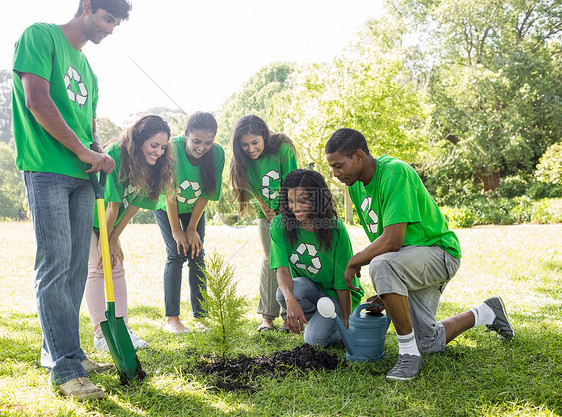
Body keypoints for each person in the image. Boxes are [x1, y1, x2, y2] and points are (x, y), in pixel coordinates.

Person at [11, 0, 131, 400]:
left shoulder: (89, 71)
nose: (111, 29)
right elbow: (37, 100)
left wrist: (97, 151)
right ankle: (65, 369)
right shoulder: (40, 36)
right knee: (56, 263)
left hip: (83, 177)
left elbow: (89, 124)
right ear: (86, 7)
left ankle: (68, 352)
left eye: (116, 23)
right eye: (107, 18)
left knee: (77, 267)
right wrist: (83, 151)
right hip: (46, 169)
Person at [325, 128, 514, 381]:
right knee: (428, 342)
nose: (335, 174)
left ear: (359, 156)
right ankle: (487, 312)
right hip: (410, 260)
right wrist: (388, 290)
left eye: (338, 166)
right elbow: (388, 247)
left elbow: (392, 241)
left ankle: (408, 355)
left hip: (439, 253)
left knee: (380, 265)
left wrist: (353, 262)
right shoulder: (357, 187)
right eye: (332, 168)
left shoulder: (394, 172)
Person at [85, 115, 174, 351]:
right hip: (88, 218)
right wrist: (105, 241)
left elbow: (133, 205)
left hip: (110, 224)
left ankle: (122, 329)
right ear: (138, 140)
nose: (158, 152)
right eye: (154, 145)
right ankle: (101, 335)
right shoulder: (116, 153)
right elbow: (112, 206)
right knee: (96, 267)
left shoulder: (153, 167)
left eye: (163, 147)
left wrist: (113, 239)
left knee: (116, 266)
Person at [271, 169, 364, 346]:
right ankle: (320, 321)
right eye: (290, 201)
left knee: (314, 340)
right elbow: (282, 269)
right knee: (284, 294)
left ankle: (349, 322)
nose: (295, 207)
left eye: (302, 201)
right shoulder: (280, 224)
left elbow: (342, 282)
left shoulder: (335, 229)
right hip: (311, 290)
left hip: (336, 296)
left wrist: (347, 322)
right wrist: (291, 302)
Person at [154, 112, 225, 334]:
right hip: (167, 207)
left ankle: (201, 316)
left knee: (196, 254)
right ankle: (172, 319)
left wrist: (192, 228)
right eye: (196, 141)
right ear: (185, 135)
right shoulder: (172, 149)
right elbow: (169, 194)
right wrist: (177, 230)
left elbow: (207, 193)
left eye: (208, 142)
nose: (201, 147)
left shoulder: (217, 155)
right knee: (176, 254)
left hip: (194, 207)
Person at [229, 115, 298, 332]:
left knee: (291, 257)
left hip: (292, 209)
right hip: (265, 212)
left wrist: (284, 214)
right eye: (245, 144)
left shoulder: (283, 148)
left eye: (255, 142)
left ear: (265, 137)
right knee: (271, 259)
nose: (250, 149)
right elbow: (253, 191)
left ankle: (291, 315)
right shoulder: (242, 160)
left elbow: (293, 182)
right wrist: (269, 214)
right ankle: (268, 317)